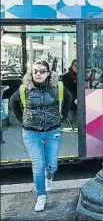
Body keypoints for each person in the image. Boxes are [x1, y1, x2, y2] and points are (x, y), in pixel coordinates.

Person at [10, 61, 72, 212]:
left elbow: (69, 99)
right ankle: (41, 196)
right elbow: (13, 102)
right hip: (31, 132)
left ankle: (49, 177)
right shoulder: (24, 89)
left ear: (49, 73)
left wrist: (61, 117)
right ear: (31, 73)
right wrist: (22, 120)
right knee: (39, 165)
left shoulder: (58, 87)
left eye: (42, 71)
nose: (38, 74)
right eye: (35, 71)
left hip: (53, 131)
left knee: (51, 165)